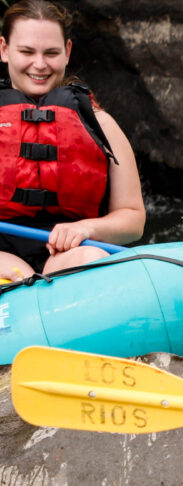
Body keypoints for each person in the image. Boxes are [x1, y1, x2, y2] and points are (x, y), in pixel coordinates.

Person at [0, 0, 144, 280]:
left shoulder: (100, 123)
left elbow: (133, 218)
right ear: (4, 49)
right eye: (27, 51)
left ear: (67, 52)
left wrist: (85, 229)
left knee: (91, 259)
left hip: (71, 250)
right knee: (13, 273)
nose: (39, 64)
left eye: (51, 53)